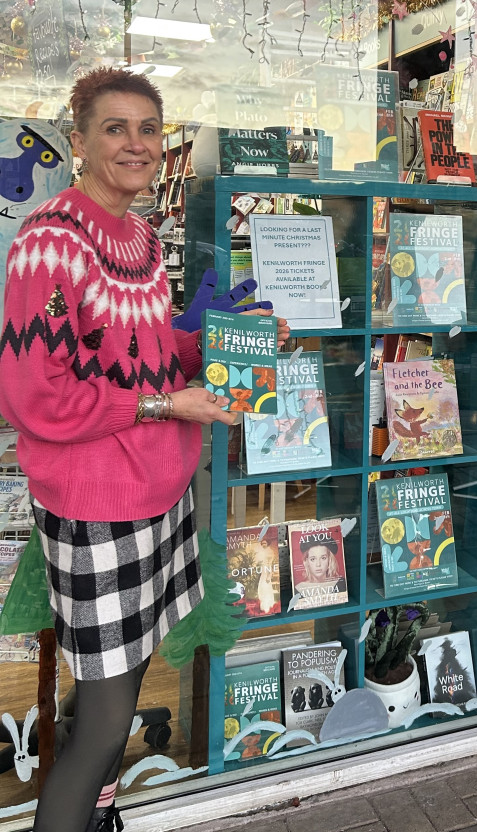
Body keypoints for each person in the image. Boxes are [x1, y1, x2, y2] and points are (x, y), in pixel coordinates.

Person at [0, 68, 289, 832]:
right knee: (104, 723)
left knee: (112, 697)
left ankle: (99, 818)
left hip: (155, 500)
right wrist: (164, 404)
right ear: (78, 142)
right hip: (98, 512)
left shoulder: (134, 236)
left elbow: (152, 353)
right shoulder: (51, 243)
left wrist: (239, 339)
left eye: (149, 129)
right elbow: (33, 398)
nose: (136, 144)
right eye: (115, 128)